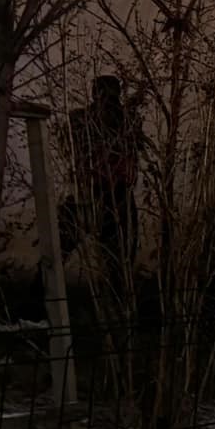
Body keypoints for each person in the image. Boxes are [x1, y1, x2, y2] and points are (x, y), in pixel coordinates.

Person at [67, 75, 141, 281]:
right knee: (122, 254)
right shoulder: (125, 119)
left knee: (121, 253)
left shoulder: (83, 118)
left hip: (102, 190)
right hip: (103, 191)